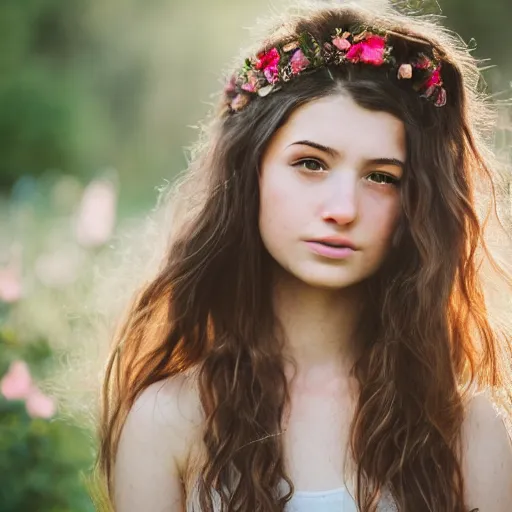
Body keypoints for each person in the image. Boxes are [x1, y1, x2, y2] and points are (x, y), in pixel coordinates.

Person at [97, 0, 512, 510]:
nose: (342, 209)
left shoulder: (467, 428)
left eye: (382, 177)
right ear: (250, 174)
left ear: (417, 207)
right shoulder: (169, 419)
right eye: (311, 163)